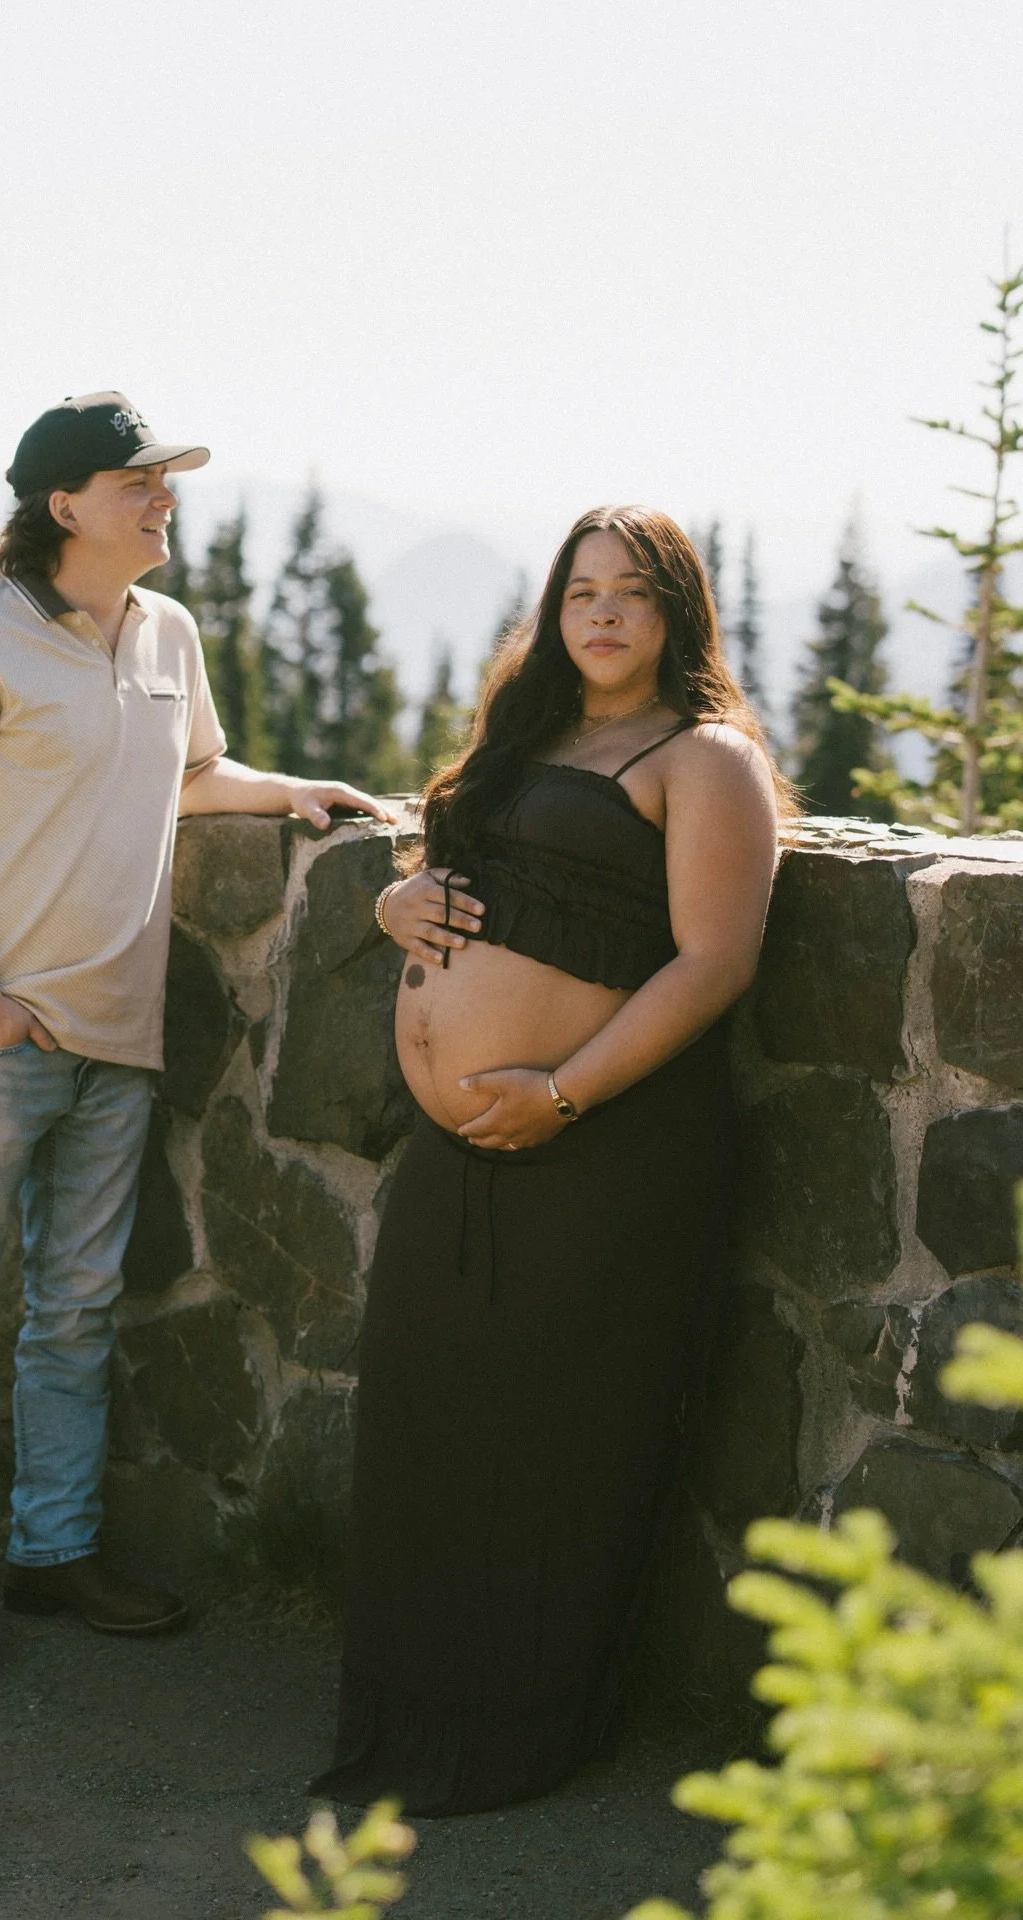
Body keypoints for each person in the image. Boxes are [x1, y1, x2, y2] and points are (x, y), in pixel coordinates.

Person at [0, 391, 390, 1669]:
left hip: (121, 1036)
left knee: (76, 1313)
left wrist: (295, 791)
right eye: (139, 483)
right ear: (64, 505)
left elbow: (192, 777)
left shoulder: (169, 632)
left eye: (167, 481)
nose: (165, 500)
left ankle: (53, 1555)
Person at [312, 506, 785, 1815]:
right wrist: (393, 898)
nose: (604, 613)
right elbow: (451, 874)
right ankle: (413, 1713)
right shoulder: (525, 738)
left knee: (552, 1444)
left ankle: (516, 1737)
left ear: (676, 614)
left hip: (604, 1149)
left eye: (633, 592)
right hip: (458, 1148)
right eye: (581, 591)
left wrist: (564, 1094)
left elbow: (716, 963)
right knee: (425, 1417)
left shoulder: (706, 759)